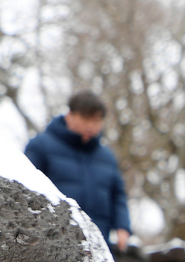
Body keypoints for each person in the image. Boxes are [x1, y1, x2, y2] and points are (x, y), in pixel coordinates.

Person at [24, 89, 131, 253]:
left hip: (99, 243)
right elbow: (26, 190)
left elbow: (118, 195)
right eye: (86, 118)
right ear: (70, 115)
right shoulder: (40, 146)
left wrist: (122, 226)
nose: (91, 126)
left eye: (96, 121)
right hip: (52, 244)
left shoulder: (107, 157)